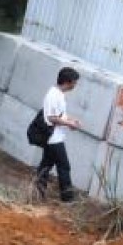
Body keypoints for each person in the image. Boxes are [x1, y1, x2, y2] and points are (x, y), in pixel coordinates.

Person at [35, 67, 81, 202]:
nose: (75, 85)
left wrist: (72, 121)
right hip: (53, 139)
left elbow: (60, 115)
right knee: (64, 166)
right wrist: (69, 124)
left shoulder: (59, 94)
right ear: (68, 81)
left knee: (45, 166)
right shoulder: (53, 95)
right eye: (75, 82)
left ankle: (38, 193)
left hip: (55, 137)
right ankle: (67, 199)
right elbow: (51, 117)